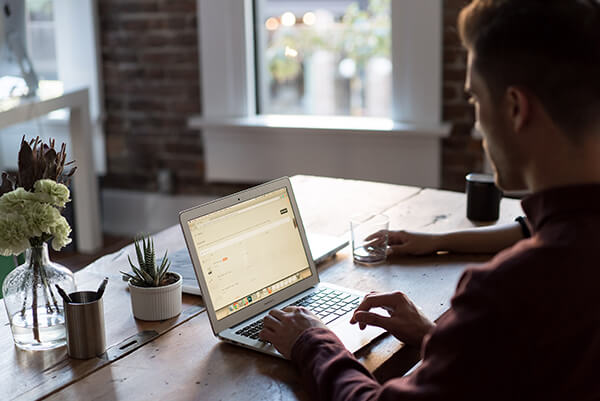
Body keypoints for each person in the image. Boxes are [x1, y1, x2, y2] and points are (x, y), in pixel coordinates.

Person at [259, 1, 600, 400]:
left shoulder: (512, 290)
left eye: (474, 99)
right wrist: (437, 337)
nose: (476, 126)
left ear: (514, 108)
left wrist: (312, 340)